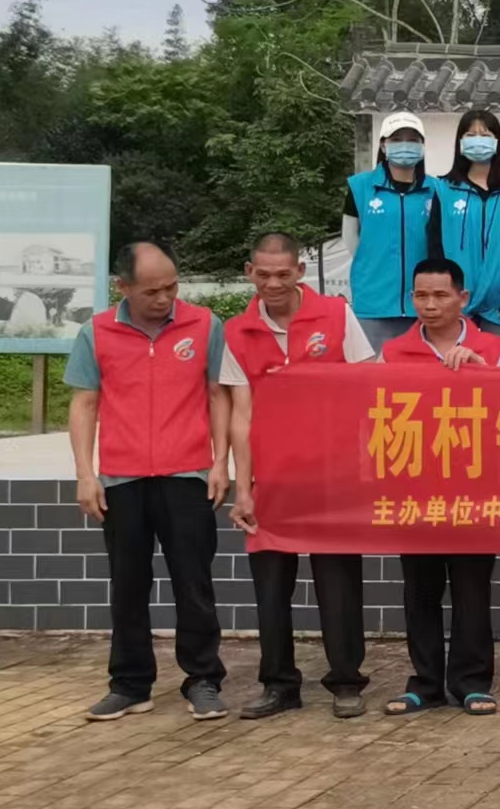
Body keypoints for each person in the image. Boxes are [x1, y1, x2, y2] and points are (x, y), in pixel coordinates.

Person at [219, 233, 378, 720]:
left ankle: (346, 681)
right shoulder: (236, 332)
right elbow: (240, 414)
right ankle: (279, 684)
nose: (273, 284)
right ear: (250, 273)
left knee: (338, 585)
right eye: (264, 275)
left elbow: (367, 387)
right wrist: (243, 489)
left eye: (283, 274)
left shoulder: (336, 315)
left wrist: (361, 466)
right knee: (271, 589)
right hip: (272, 481)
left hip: (331, 477)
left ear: (300, 272)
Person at [68, 241, 230, 722]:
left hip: (188, 474)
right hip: (122, 478)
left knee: (193, 583)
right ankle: (130, 684)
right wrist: (85, 474)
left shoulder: (205, 325)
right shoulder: (96, 333)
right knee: (128, 585)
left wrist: (221, 462)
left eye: (171, 287)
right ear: (123, 287)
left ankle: (203, 679)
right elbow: (84, 404)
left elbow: (218, 395)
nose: (164, 299)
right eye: (152, 291)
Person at [376, 257, 500, 716]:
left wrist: (481, 370)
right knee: (420, 590)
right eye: (420, 296)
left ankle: (472, 681)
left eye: (440, 295)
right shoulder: (393, 353)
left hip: (475, 490)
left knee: (472, 591)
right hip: (416, 490)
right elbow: (376, 415)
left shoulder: (492, 348)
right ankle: (425, 682)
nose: (429, 305)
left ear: (462, 298)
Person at [345, 111, 446, 349]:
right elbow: (350, 237)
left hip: (423, 304)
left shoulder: (437, 189)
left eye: (412, 140)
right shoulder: (360, 186)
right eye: (397, 139)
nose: (405, 145)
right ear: (383, 145)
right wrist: (372, 264)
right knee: (372, 368)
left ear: (422, 146)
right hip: (373, 302)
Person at [436, 108, 500, 336]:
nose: (478, 141)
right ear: (460, 142)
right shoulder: (443, 189)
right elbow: (434, 245)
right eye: (470, 135)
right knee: (455, 358)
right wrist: (441, 291)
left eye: (485, 135)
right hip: (455, 299)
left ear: (497, 142)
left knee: (496, 359)